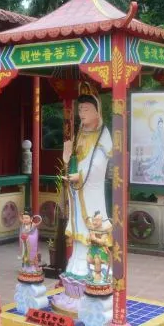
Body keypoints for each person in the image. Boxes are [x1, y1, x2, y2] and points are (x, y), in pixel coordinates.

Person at [61, 93, 113, 281]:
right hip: (76, 190)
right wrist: (67, 160)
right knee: (77, 223)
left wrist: (80, 175)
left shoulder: (103, 135)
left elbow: (99, 165)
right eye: (80, 109)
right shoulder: (80, 132)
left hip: (91, 190)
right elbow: (75, 158)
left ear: (97, 112)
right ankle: (76, 260)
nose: (81, 113)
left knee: (91, 221)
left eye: (86, 109)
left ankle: (94, 265)